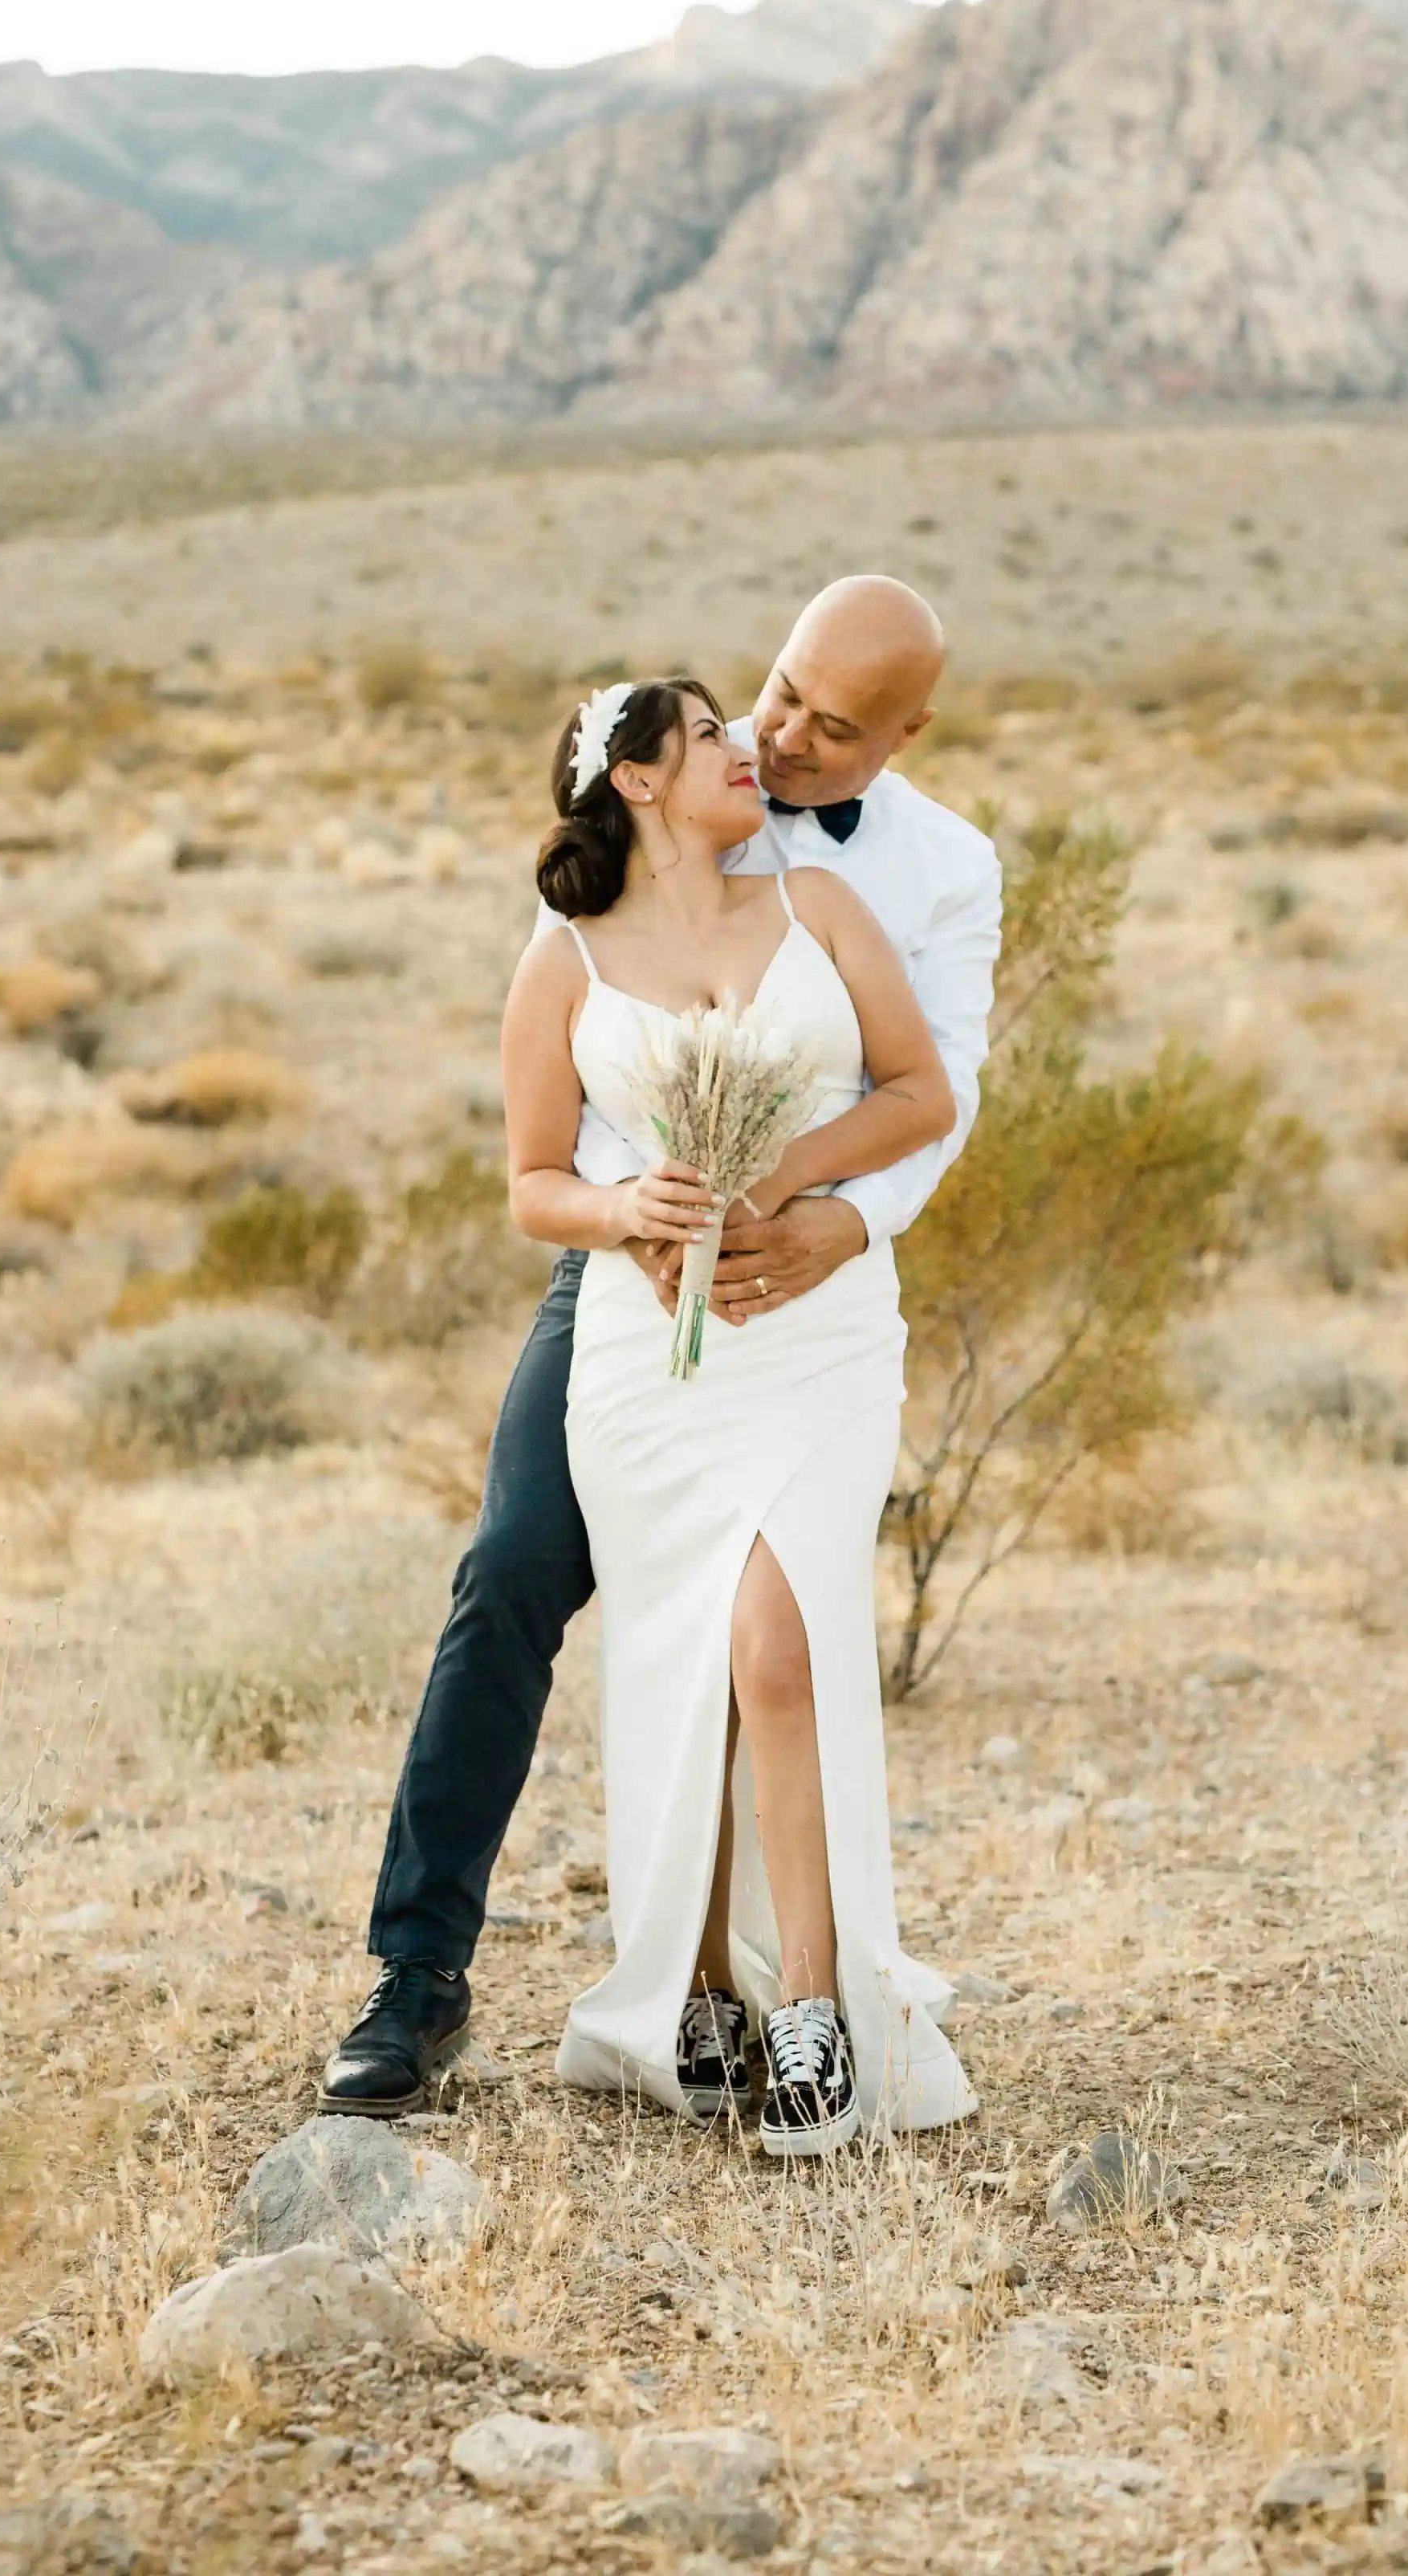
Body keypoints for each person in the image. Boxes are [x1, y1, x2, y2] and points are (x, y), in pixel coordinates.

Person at [319, 578, 1002, 2134]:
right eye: (777, 693)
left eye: (832, 727)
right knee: (512, 1573)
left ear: (904, 736)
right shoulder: (638, 821)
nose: (782, 735)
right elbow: (553, 1109)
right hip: (625, 1281)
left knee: (766, 1637)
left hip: (812, 1275)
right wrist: (631, 1212)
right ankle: (417, 1975)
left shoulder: (940, 870)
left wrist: (837, 1220)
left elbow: (939, 1082)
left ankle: (789, 1995)